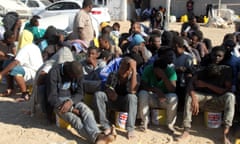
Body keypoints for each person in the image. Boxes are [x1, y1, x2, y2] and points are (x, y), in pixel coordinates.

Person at [46, 61, 117, 144]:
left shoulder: (78, 73)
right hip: (59, 104)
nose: (77, 79)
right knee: (75, 120)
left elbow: (80, 93)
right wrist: (72, 109)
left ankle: (99, 137)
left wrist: (71, 102)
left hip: (72, 100)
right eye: (74, 77)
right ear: (69, 73)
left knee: (87, 111)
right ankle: (98, 138)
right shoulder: (54, 73)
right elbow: (52, 98)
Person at [177, 46, 235, 144]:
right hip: (202, 97)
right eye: (214, 55)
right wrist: (194, 96)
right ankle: (186, 129)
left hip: (217, 98)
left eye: (219, 56)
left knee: (230, 97)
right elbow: (191, 83)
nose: (216, 58)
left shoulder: (226, 70)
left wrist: (206, 85)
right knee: (190, 96)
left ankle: (225, 134)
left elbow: (225, 90)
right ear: (210, 55)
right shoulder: (203, 67)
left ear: (223, 57)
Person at [93, 57, 138, 139]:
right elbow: (107, 87)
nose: (121, 69)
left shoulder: (134, 77)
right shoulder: (113, 74)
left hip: (125, 105)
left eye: (124, 68)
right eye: (121, 66)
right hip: (113, 101)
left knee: (132, 97)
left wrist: (134, 70)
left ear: (129, 70)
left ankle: (130, 129)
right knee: (99, 94)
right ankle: (105, 126)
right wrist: (110, 91)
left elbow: (132, 91)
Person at [138, 47, 178, 133]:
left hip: (165, 99)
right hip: (153, 97)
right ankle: (145, 122)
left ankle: (170, 124)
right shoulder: (149, 69)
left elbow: (172, 89)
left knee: (173, 96)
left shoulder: (170, 72)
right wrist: (156, 90)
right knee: (142, 94)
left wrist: (164, 76)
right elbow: (143, 85)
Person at [0, 30, 43, 102]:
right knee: (10, 66)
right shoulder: (35, 46)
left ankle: (25, 94)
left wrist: (1, 74)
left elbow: (15, 62)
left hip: (32, 73)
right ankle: (10, 89)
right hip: (38, 72)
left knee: (13, 69)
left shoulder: (25, 48)